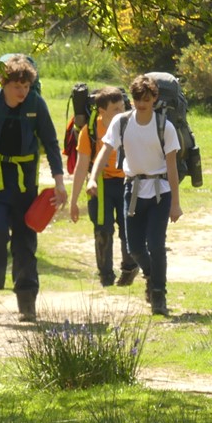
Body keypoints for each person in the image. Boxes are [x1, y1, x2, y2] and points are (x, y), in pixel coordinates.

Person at [0, 54, 67, 323]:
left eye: (26, 86)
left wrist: (59, 182)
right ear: (3, 83)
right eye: (16, 86)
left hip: (24, 185)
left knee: (24, 242)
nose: (22, 92)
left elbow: (51, 143)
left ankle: (27, 303)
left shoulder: (36, 104)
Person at [87, 75, 182, 316]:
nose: (141, 104)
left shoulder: (165, 126)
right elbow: (104, 151)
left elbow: (172, 167)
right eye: (138, 99)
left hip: (160, 191)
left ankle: (158, 295)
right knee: (135, 247)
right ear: (132, 98)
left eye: (146, 100)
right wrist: (92, 178)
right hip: (133, 189)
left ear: (155, 99)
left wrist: (176, 205)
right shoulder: (121, 122)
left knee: (156, 245)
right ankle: (151, 275)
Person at [68, 87, 140, 287]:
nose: (122, 111)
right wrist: (73, 202)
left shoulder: (133, 126)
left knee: (129, 227)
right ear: (102, 111)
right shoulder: (89, 132)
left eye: (123, 106)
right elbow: (82, 167)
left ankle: (129, 268)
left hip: (128, 182)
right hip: (100, 184)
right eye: (115, 109)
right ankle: (106, 276)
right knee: (102, 228)